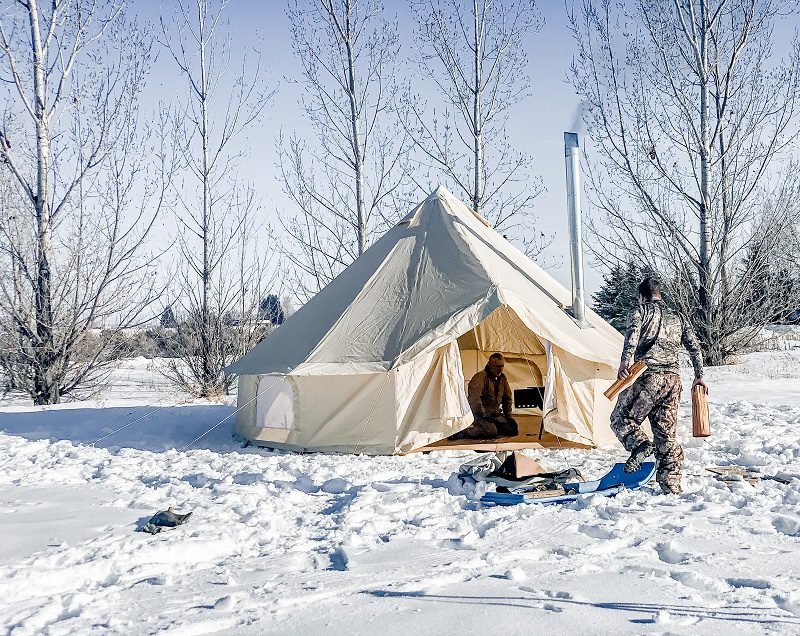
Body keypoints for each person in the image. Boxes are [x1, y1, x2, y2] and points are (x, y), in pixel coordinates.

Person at [611, 277, 708, 494]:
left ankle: (640, 445)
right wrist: (699, 376)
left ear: (641, 296)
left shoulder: (640, 311)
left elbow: (632, 337)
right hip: (673, 380)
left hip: (649, 375)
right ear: (660, 294)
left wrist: (625, 363)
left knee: (621, 418)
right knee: (666, 436)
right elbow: (694, 347)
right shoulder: (678, 317)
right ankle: (671, 485)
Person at [454, 353, 519, 439]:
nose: (500, 369)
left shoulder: (502, 378)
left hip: (495, 415)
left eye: (502, 366)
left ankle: (493, 428)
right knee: (490, 431)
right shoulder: (480, 377)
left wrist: (508, 416)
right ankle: (463, 432)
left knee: (512, 429)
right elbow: (474, 400)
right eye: (497, 366)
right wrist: (483, 415)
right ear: (490, 365)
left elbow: (507, 398)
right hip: (480, 416)